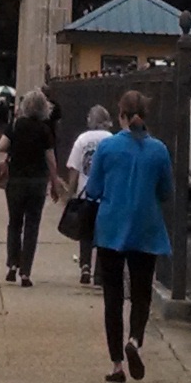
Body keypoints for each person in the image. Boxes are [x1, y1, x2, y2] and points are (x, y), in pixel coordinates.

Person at [81, 89, 177, 382]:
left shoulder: (108, 148)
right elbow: (166, 192)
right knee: (141, 293)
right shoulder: (159, 150)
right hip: (146, 228)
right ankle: (134, 339)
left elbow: (93, 189)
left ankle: (116, 365)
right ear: (145, 116)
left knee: (112, 296)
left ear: (120, 115)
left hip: (111, 227)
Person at [0, 92, 58, 284]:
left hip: (16, 180)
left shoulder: (16, 125)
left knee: (15, 223)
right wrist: (54, 182)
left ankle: (12, 264)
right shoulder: (45, 130)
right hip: (37, 181)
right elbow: (51, 159)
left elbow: (1, 146)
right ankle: (26, 271)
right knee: (32, 225)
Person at [60, 104, 115, 284]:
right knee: (103, 234)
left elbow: (74, 168)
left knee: (86, 233)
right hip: (106, 195)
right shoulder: (112, 140)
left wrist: (71, 193)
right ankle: (99, 272)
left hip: (86, 194)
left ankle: (85, 265)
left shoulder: (82, 139)